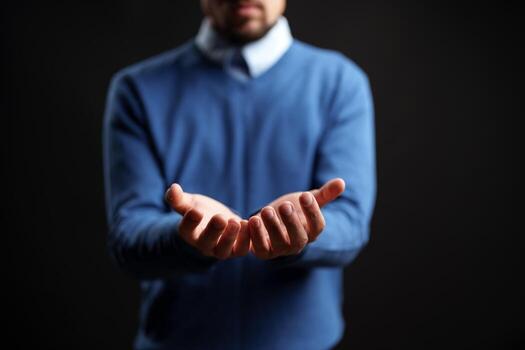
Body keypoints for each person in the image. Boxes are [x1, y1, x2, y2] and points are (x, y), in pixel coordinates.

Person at [102, 0, 376, 349]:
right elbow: (128, 236)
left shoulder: (340, 83)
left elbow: (349, 221)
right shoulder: (136, 91)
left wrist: (305, 229)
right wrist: (186, 235)